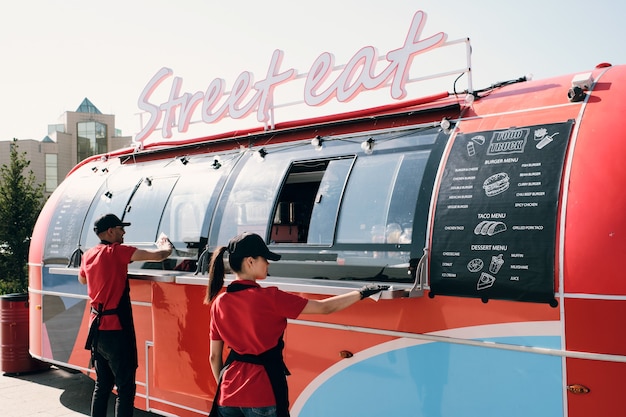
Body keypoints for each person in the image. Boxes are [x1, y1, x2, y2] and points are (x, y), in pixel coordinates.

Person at [206, 232, 388, 417]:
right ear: (250, 261)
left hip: (227, 394)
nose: (268, 264)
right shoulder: (270, 298)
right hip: (262, 393)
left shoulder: (219, 302)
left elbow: (214, 356)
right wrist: (362, 293)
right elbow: (324, 308)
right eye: (265, 259)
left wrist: (226, 387)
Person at [78, 214, 173, 417]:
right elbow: (158, 256)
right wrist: (166, 245)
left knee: (102, 386)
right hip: (116, 331)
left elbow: (82, 280)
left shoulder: (88, 254)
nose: (124, 232)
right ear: (110, 231)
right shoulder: (116, 252)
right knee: (125, 388)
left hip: (96, 330)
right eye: (121, 228)